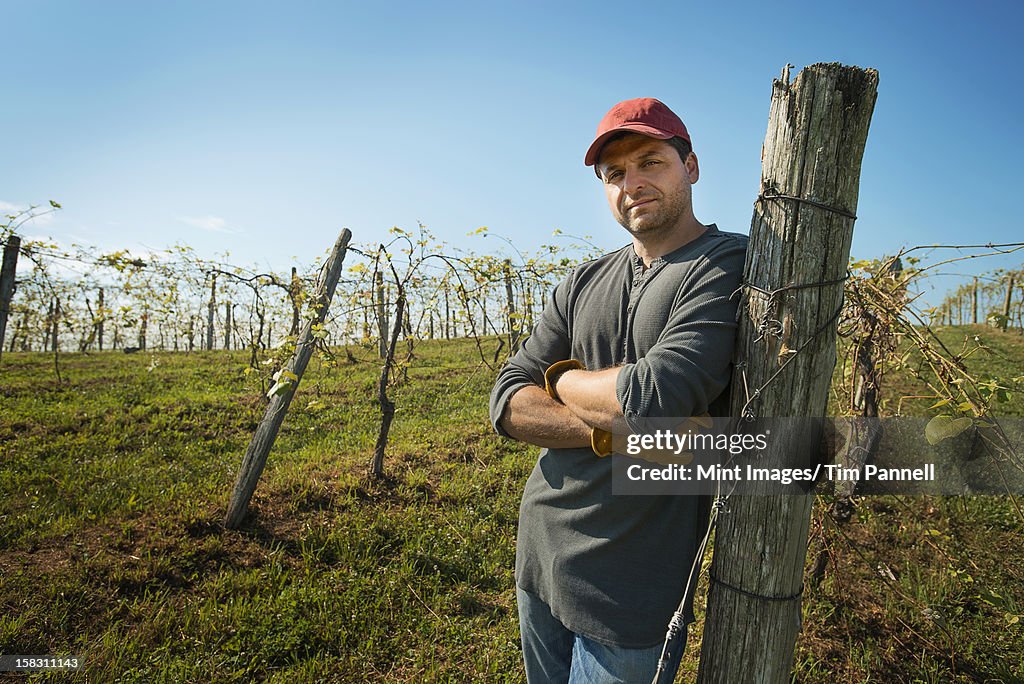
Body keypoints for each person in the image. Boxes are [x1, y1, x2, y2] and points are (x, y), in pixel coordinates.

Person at [488, 97, 748, 683]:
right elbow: (506, 400)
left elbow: (657, 395)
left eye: (650, 162)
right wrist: (613, 432)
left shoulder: (725, 264)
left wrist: (560, 380)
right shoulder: (582, 281)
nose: (632, 183)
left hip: (633, 586)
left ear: (692, 166)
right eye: (615, 174)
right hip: (540, 553)